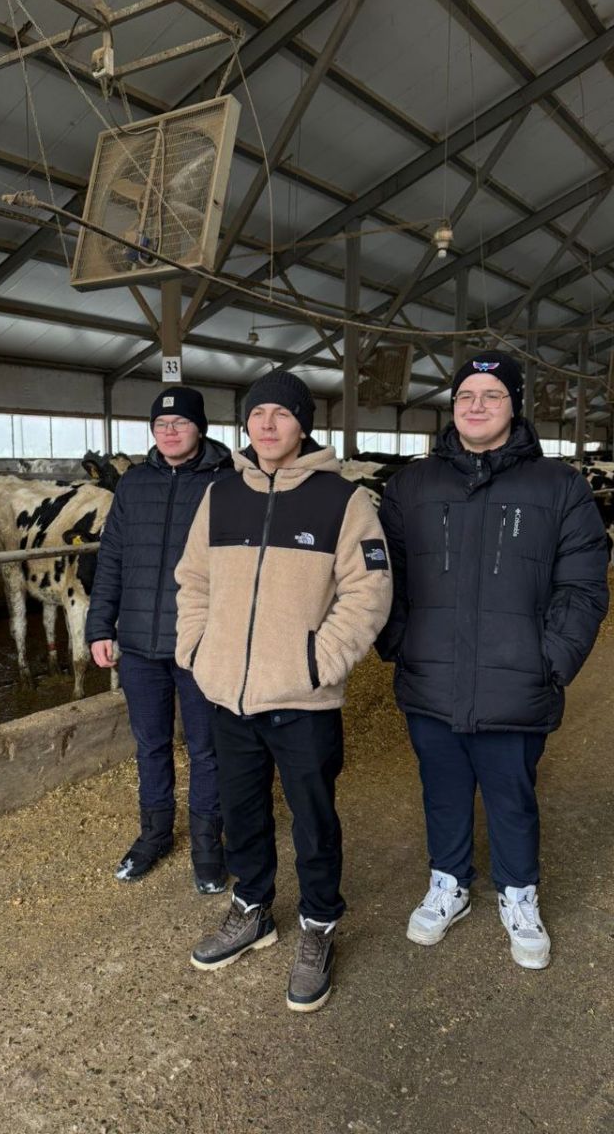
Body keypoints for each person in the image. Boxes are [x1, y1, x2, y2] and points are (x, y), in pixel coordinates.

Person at [376, 351, 609, 969]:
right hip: (431, 675)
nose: (476, 406)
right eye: (465, 396)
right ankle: (449, 883)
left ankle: (518, 892)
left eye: (491, 395)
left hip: (518, 681)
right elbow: (384, 576)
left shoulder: (559, 487)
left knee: (512, 794)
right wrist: (397, 642)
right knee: (442, 790)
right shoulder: (410, 486)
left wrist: (550, 660)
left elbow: (583, 587)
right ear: (452, 407)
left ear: (514, 405)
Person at [175, 370, 392, 1012]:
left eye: (282, 413)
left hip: (302, 699)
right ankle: (252, 909)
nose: (267, 425)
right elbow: (193, 580)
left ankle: (319, 923)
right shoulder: (220, 495)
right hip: (228, 695)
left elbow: (369, 590)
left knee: (314, 818)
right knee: (242, 810)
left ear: (303, 425)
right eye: (257, 413)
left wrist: (320, 661)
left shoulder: (343, 501)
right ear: (246, 423)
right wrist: (198, 650)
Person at [86, 385, 233, 893]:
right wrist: (100, 626)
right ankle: (154, 835)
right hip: (139, 645)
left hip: (200, 643)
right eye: (161, 424)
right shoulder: (133, 484)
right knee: (151, 744)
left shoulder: (226, 483)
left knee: (207, 747)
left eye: (180, 423)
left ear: (200, 428)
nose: (169, 432)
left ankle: (208, 846)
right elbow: (112, 559)